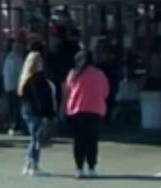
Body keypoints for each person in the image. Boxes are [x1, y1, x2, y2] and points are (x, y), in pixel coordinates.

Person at [65, 50, 109, 179]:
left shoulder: (74, 74)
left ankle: (79, 168)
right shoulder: (100, 74)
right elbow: (105, 92)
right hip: (96, 110)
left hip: (77, 110)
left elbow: (68, 91)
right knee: (92, 141)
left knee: (79, 141)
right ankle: (91, 167)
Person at [18, 51, 56, 176]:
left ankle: (31, 164)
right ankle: (31, 164)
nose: (41, 63)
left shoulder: (30, 79)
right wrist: (46, 113)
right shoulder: (34, 79)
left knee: (35, 139)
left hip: (30, 111)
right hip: (35, 112)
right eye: (38, 61)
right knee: (35, 139)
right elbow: (39, 98)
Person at [2, 38, 25, 135]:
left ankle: (11, 125)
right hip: (15, 86)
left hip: (9, 86)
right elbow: (19, 73)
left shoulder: (8, 57)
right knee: (16, 107)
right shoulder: (17, 58)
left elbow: (4, 72)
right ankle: (15, 126)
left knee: (12, 107)